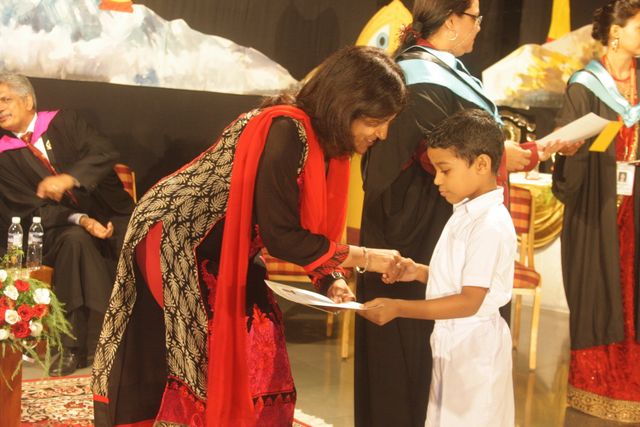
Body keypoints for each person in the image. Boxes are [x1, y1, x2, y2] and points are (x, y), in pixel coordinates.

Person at [91, 45, 407, 427]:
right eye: (375, 121)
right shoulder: (285, 130)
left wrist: (331, 279)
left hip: (229, 249)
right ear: (346, 104)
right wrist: (369, 258)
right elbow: (283, 236)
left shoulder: (325, 145)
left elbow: (306, 228)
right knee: (199, 362)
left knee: (261, 346)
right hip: (177, 238)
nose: (382, 133)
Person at [352, 1, 569, 425]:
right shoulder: (417, 77)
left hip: (467, 327)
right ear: (452, 20)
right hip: (417, 227)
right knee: (415, 379)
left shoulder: (447, 74)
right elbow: (422, 157)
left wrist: (512, 153)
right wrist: (501, 155)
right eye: (475, 18)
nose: (479, 27)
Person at [360, 109, 515, 427]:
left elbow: (470, 301)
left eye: (445, 170)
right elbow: (462, 280)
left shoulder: (490, 224)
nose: (437, 180)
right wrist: (419, 272)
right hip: (453, 343)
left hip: (475, 350)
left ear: (482, 164)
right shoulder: (465, 212)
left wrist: (399, 308)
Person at [0, 74, 134, 377]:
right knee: (75, 241)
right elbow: (29, 208)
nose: (0, 108)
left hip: (110, 213)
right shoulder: (4, 155)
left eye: (5, 99)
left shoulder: (65, 122)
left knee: (138, 237)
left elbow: (104, 152)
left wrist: (70, 178)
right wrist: (82, 220)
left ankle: (132, 336)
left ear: (28, 101)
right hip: (58, 227)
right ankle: (76, 345)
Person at [552, 1, 640, 422]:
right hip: (598, 210)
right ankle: (595, 388)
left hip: (635, 213)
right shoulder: (585, 85)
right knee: (601, 294)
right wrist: (569, 153)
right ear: (616, 32)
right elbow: (569, 157)